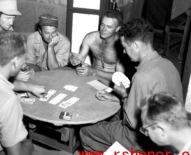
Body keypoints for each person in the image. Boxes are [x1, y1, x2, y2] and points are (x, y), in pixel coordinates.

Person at [80, 18, 183, 152]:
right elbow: (152, 99)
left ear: (135, 45)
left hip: (142, 139)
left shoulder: (141, 76)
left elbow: (131, 123)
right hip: (169, 133)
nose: (123, 52)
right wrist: (117, 97)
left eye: (124, 48)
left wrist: (122, 94)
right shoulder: (169, 64)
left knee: (86, 131)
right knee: (111, 117)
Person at [69, 10, 126, 81]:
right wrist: (75, 61)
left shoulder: (122, 45)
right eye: (102, 25)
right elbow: (80, 60)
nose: (103, 29)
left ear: (117, 28)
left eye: (109, 27)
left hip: (111, 83)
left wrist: (94, 71)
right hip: (92, 78)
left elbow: (120, 77)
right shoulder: (91, 38)